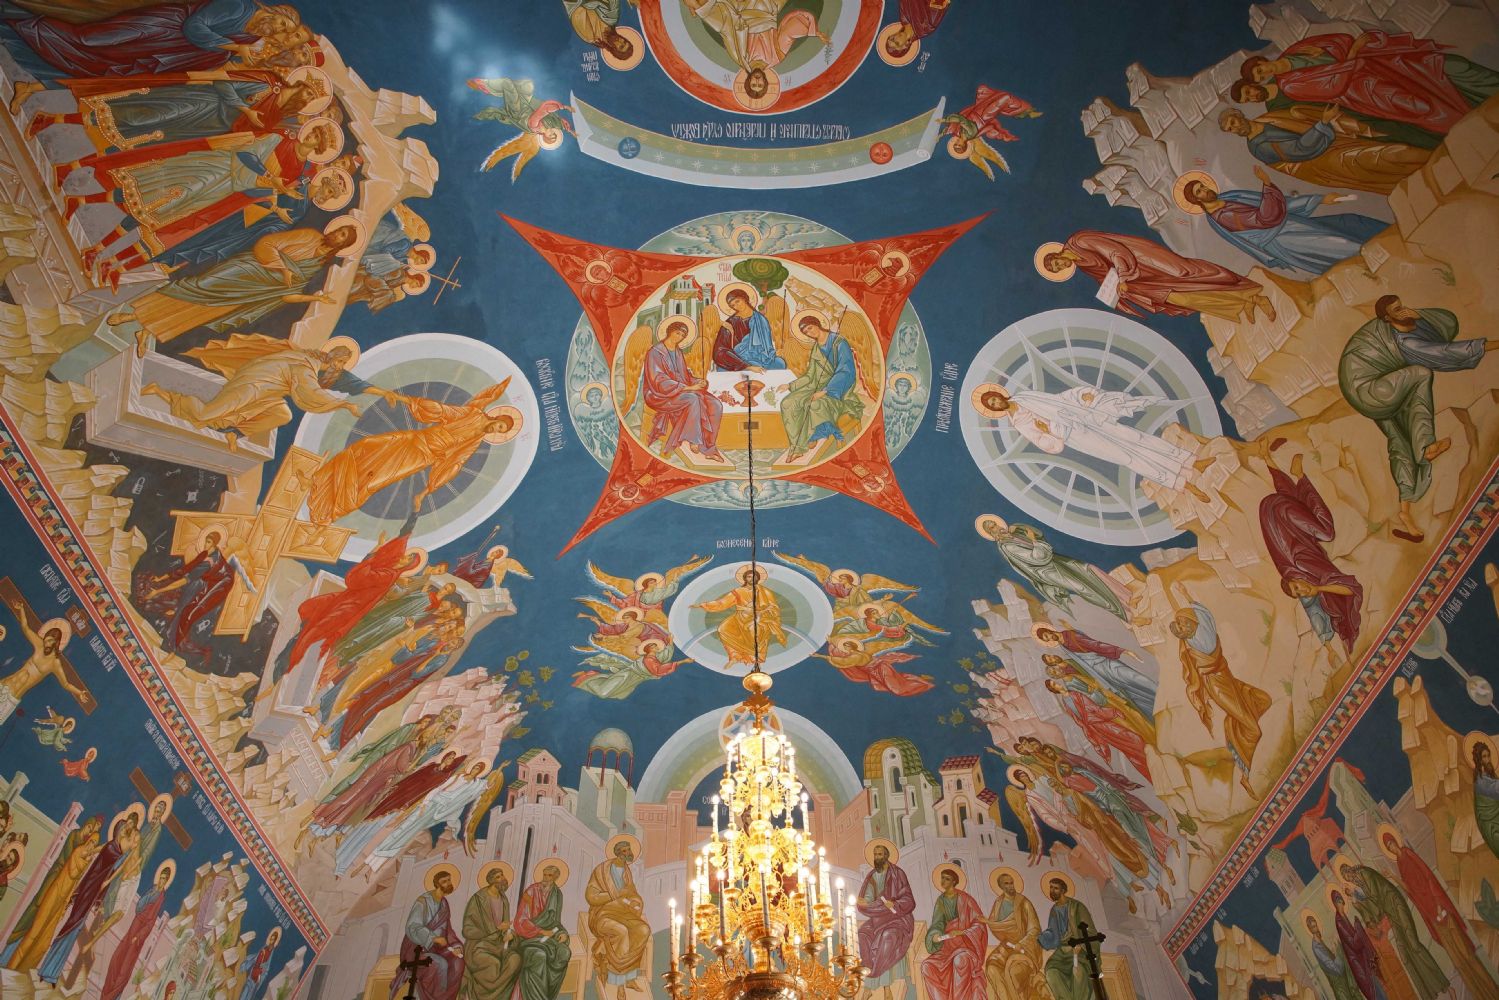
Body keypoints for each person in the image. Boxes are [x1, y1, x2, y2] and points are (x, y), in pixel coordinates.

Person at [1339, 296, 1498, 542]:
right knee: (1421, 373)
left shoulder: (1399, 327)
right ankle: (1426, 446)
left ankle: (1405, 512)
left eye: (1402, 306)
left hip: (1373, 387)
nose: (1404, 311)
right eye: (1397, 310)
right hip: (1367, 388)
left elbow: (1444, 323)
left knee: (1399, 440)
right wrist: (1494, 345)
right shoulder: (1405, 344)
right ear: (1387, 318)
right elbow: (1447, 352)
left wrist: (1419, 314)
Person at [108, 224, 355, 356]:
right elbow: (267, 244)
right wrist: (283, 269)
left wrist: (315, 298)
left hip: (253, 292)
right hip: (245, 269)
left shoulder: (319, 265)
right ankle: (131, 315)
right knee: (195, 288)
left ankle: (147, 332)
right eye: (338, 230)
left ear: (342, 245)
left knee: (201, 312)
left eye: (341, 235)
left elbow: (285, 294)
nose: (335, 233)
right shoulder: (309, 235)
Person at [307, 380, 519, 523]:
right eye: (499, 426)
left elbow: (456, 463)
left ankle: (333, 510)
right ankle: (319, 480)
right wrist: (404, 399)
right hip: (413, 439)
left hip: (421, 456)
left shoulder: (474, 442)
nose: (496, 430)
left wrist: (427, 490)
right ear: (497, 418)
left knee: (374, 480)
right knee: (365, 446)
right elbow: (442, 410)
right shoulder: (473, 414)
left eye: (500, 432)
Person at [976, 383, 1211, 499]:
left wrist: (1081, 395)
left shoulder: (1025, 396)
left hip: (1083, 417)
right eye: (992, 405)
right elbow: (1048, 445)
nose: (997, 403)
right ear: (994, 409)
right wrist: (1049, 431)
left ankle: (1190, 461)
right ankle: (1180, 482)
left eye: (995, 399)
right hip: (1075, 435)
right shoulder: (1019, 422)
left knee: (1136, 437)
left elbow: (1058, 400)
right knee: (1127, 457)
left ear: (999, 394)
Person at [1240, 32, 1499, 135]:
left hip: (1377, 65)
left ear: (1261, 61)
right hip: (1365, 90)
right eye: (1260, 78)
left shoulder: (1295, 50)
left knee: (1438, 69)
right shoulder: (1290, 86)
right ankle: (1478, 131)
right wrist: (1352, 54)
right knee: (1422, 106)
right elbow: (1334, 86)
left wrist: (1337, 51)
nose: (1264, 74)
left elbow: (1340, 40)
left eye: (1259, 70)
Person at [143, 339, 380, 449]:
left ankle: (235, 432)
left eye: (343, 364)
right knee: (204, 414)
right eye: (341, 362)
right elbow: (310, 392)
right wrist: (344, 405)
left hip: (267, 394)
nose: (340, 367)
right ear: (334, 358)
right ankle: (160, 391)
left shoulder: (311, 362)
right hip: (253, 385)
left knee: (282, 414)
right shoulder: (306, 365)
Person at [1255, 441, 1363, 653]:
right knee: (1296, 503)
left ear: (1292, 580)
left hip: (1278, 511)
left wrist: (1319, 589)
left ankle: (1300, 475)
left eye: (1296, 588)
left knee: (1326, 532)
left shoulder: (1304, 566)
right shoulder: (1292, 573)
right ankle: (1268, 458)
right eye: (1300, 593)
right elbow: (1311, 608)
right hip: (1273, 513)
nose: (1303, 590)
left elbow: (1351, 587)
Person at [1180, 166, 1385, 275]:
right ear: (1197, 200)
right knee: (1342, 247)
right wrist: (1267, 184)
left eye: (1203, 186)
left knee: (1348, 224)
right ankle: (1384, 264)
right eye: (1200, 192)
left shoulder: (1231, 197)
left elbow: (1281, 205)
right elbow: (1265, 218)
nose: (1205, 190)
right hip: (1284, 239)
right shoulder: (1224, 217)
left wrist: (1319, 199)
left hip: (1289, 225)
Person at [1040, 230, 1272, 322]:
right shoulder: (1081, 266)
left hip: (1142, 261)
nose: (1062, 265)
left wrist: (1123, 277)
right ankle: (1242, 303)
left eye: (1057, 262)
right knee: (1182, 299)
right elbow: (1103, 277)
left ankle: (1248, 292)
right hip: (1139, 283)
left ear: (1057, 254)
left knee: (1187, 274)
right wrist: (1115, 299)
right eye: (1059, 269)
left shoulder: (1079, 241)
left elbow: (1115, 251)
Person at [1379, 829, 1499, 999]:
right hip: (1432, 916)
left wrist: (1437, 903)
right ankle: (1480, 995)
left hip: (1439, 910)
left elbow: (1428, 875)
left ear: (1395, 841)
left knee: (1466, 954)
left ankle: (1492, 992)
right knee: (1458, 961)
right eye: (1388, 847)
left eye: (1391, 843)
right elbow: (1409, 890)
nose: (1391, 847)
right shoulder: (1400, 864)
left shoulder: (1408, 853)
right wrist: (1392, 876)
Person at [1171, 598, 1271, 793]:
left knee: (1262, 699)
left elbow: (1206, 617)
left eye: (1184, 623)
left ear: (1193, 621)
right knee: (1254, 730)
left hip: (1227, 678)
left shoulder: (1205, 633)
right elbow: (1202, 624)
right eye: (1180, 626)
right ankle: (1246, 773)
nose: (1183, 627)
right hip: (1217, 687)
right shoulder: (1194, 641)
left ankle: (1233, 727)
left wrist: (1189, 599)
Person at [1218, 105, 1430, 195]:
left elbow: (1300, 119)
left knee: (1389, 153)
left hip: (1331, 143)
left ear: (1239, 115)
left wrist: (1322, 122)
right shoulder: (1259, 147)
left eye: (1233, 123)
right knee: (1386, 156)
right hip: (1323, 162)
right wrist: (1323, 123)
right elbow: (1299, 150)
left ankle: (1437, 161)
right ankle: (1435, 164)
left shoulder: (1267, 119)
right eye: (1230, 129)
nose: (1235, 129)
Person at [976, 517, 1136, 622]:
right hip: (1048, 572)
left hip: (1056, 562)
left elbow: (1039, 534)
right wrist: (1033, 540)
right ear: (991, 534)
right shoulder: (1008, 546)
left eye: (996, 524)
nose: (997, 528)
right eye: (992, 528)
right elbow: (1038, 558)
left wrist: (1019, 527)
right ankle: (1125, 614)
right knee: (1084, 588)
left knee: (1089, 570)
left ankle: (1126, 599)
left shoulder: (1013, 536)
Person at [138, 529, 256, 659]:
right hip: (203, 581)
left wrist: (158, 591)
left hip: (218, 586)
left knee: (188, 614)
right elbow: (185, 569)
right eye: (206, 541)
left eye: (209, 542)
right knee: (180, 606)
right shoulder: (204, 554)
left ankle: (174, 649)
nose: (205, 544)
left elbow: (185, 579)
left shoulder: (209, 563)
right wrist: (161, 578)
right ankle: (172, 641)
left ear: (214, 544)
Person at [1339, 859, 1448, 1000]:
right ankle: (1428, 993)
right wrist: (1356, 901)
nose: (1350, 879)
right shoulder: (1360, 882)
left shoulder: (1364, 873)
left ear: (1350, 869)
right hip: (1391, 913)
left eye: (1348, 875)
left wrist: (1357, 900)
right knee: (1404, 954)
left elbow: (1375, 899)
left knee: (1413, 945)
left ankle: (1443, 984)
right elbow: (1372, 904)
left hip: (1396, 905)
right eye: (1347, 878)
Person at [779, 313, 863, 462]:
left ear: (817, 324)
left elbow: (846, 371)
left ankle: (811, 436)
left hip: (838, 390)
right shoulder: (816, 348)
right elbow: (809, 376)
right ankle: (797, 446)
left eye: (810, 328)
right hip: (816, 386)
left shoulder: (838, 342)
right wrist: (790, 385)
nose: (809, 333)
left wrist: (825, 391)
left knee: (814, 404)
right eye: (806, 332)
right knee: (788, 403)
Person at [642, 319, 726, 461]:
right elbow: (658, 380)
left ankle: (710, 446)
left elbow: (684, 376)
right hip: (660, 395)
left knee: (715, 404)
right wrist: (688, 388)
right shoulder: (655, 352)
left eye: (682, 335)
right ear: (669, 332)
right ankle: (695, 440)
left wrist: (697, 382)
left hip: (681, 390)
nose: (679, 337)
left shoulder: (678, 352)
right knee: (693, 398)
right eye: (677, 333)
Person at [1032, 624, 1156, 717]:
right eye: (1047, 640)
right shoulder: (1063, 647)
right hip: (1099, 673)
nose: (1050, 639)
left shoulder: (1070, 636)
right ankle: (1152, 704)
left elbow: (1095, 645)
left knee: (1132, 677)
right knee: (1127, 690)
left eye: (1047, 636)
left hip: (1105, 664)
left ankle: (1156, 689)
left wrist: (1122, 651)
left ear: (1049, 630)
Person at [584, 837, 650, 1000]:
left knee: (643, 930)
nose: (628, 853)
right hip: (602, 915)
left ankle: (630, 977)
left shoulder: (626, 871)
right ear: (618, 853)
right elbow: (591, 896)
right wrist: (614, 896)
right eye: (625, 851)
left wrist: (635, 902)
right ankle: (620, 984)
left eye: (629, 850)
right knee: (622, 932)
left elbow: (632, 892)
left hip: (623, 913)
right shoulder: (602, 871)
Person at [0, 602, 85, 725]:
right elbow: (25, 628)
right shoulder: (39, 645)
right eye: (45, 640)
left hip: (13, 697)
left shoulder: (55, 663)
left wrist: (79, 692)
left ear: (56, 643)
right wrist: (22, 609)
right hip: (4, 684)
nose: (46, 643)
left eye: (50, 641)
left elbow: (66, 684)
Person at [684, 0, 826, 71]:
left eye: (754, 84)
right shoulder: (776, 57)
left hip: (742, 10)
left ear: (748, 81)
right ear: (764, 81)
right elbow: (788, 34)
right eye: (760, 85)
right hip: (767, 8)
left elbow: (727, 32)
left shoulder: (740, 58)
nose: (757, 81)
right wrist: (811, 30)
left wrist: (703, 9)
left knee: (699, 4)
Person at [100, 861, 172, 1000]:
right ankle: (105, 994)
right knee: (116, 959)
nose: (161, 881)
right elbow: (138, 907)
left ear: (167, 881)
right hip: (133, 927)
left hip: (137, 936)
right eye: (161, 878)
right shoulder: (152, 890)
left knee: (124, 970)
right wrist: (150, 894)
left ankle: (112, 997)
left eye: (164, 879)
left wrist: (138, 936)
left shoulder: (160, 897)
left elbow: (150, 923)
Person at [693, 565, 787, 669]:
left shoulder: (765, 591)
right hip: (740, 617)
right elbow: (722, 603)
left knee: (755, 632)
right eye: (749, 577)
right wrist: (703, 605)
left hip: (760, 618)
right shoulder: (738, 591)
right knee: (722, 629)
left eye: (754, 576)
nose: (752, 579)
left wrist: (764, 611)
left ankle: (756, 660)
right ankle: (734, 657)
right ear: (745, 578)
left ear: (758, 578)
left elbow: (774, 607)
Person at [392, 867, 465, 1000]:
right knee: (439, 964)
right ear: (437, 884)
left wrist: (456, 946)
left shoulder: (444, 903)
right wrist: (433, 938)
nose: (449, 883)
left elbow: (447, 930)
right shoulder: (423, 901)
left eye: (449, 880)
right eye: (444, 881)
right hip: (416, 948)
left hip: (437, 948)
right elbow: (413, 926)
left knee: (457, 962)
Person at [856, 840, 916, 1000]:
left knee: (887, 937)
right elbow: (868, 898)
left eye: (880, 854)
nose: (877, 857)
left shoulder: (898, 874)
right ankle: (870, 982)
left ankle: (884, 987)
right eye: (875, 854)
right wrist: (864, 902)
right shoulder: (872, 876)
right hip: (878, 919)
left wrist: (895, 904)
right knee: (863, 934)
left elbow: (909, 900)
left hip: (898, 919)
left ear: (887, 856)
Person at [920, 867, 986, 1000]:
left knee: (959, 960)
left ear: (954, 881)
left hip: (965, 945)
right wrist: (935, 935)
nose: (943, 881)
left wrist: (963, 932)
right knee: (927, 966)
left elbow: (979, 923)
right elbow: (938, 923)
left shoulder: (966, 899)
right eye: (942, 878)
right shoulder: (941, 900)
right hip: (947, 947)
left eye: (947, 879)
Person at [982, 869, 1045, 1000]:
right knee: (992, 967)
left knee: (1013, 971)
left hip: (1025, 948)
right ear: (1001, 886)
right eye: (1007, 883)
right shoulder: (998, 903)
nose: (1010, 886)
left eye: (1011, 883)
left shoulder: (1024, 903)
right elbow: (997, 926)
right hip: (1007, 946)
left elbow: (1035, 929)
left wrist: (1021, 943)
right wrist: (987, 922)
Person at [461, 863, 521, 1000]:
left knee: (515, 960)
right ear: (491, 880)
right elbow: (467, 930)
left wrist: (508, 934)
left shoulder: (503, 899)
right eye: (498, 877)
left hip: (499, 945)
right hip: (479, 946)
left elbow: (505, 926)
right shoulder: (478, 899)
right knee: (493, 964)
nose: (503, 879)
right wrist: (495, 929)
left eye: (502, 875)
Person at [513, 862, 571, 1000]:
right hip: (529, 938)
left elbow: (555, 922)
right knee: (539, 956)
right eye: (544, 875)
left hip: (548, 939)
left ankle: (548, 994)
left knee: (564, 953)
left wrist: (562, 933)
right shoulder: (531, 891)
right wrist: (541, 931)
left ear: (555, 878)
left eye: (549, 875)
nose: (545, 878)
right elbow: (520, 921)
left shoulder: (557, 894)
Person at [1037, 875, 1095, 1000]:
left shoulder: (1077, 907)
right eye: (1051, 887)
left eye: (1056, 888)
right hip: (1062, 953)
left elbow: (1090, 931)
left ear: (1063, 890)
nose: (1052, 891)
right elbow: (1053, 933)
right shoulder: (1054, 909)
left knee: (1079, 973)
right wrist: (1040, 937)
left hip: (1079, 950)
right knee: (1051, 972)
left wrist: (1081, 945)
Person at [1329, 889, 1388, 1000]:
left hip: (1363, 960)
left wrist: (1357, 927)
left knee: (1379, 990)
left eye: (1341, 900)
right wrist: (1358, 927)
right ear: (1335, 904)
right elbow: (1354, 944)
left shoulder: (1343, 917)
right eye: (1338, 901)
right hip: (1359, 965)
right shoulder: (1339, 922)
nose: (1341, 904)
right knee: (1375, 992)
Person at [712, 288, 785, 371]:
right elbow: (720, 350)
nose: (737, 306)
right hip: (739, 359)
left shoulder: (761, 319)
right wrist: (746, 366)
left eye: (737, 301)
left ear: (744, 298)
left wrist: (771, 353)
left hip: (760, 357)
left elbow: (767, 345)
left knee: (780, 363)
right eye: (733, 305)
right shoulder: (730, 323)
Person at [1303, 912, 1364, 1000]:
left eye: (1316, 926)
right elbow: (1335, 968)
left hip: (1343, 982)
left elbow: (1330, 958)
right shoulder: (1316, 947)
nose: (1316, 929)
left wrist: (1334, 951)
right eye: (1313, 927)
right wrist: (1338, 952)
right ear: (1309, 929)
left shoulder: (1319, 940)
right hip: (1340, 986)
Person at [563, 0, 635, 64]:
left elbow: (576, 12)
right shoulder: (613, 18)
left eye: (621, 46)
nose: (621, 40)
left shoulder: (590, 36)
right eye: (625, 41)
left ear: (615, 50)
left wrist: (595, 3)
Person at [880, 0, 950, 61]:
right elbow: (938, 4)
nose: (896, 37)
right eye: (897, 42)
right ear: (905, 46)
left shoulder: (903, 18)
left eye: (892, 38)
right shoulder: (927, 28)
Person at [1471, 736, 1499, 859]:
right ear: (1479, 760)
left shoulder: (1489, 775)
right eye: (1484, 757)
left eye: (1488, 756)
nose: (1488, 759)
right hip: (1492, 825)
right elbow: (1496, 789)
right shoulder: (1480, 781)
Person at [237, 927, 280, 1000]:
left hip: (258, 975)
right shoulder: (265, 948)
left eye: (273, 940)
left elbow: (266, 967)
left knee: (250, 993)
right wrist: (250, 959)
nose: (271, 941)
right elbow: (257, 957)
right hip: (253, 971)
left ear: (275, 941)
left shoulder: (271, 952)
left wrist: (260, 974)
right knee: (246, 988)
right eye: (271, 939)